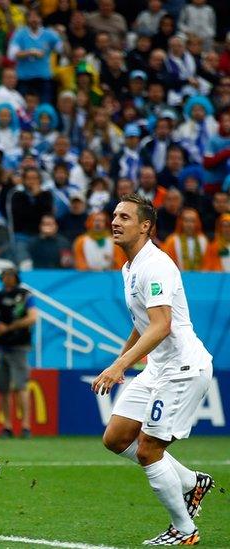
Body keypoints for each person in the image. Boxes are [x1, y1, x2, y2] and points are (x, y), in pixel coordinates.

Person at [91, 194, 214, 545]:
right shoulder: (129, 268)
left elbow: (161, 325)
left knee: (148, 450)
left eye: (125, 217)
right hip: (158, 368)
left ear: (145, 226)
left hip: (182, 368)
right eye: (115, 215)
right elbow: (143, 322)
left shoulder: (155, 265)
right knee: (115, 438)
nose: (115, 221)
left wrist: (120, 365)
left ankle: (185, 530)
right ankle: (192, 482)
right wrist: (121, 356)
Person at [0, 268, 38, 439]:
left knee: (21, 386)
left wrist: (9, 327)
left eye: (10, 276)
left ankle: (26, 426)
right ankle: (7, 426)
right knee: (4, 388)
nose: (7, 279)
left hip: (19, 346)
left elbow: (32, 318)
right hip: (2, 346)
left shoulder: (24, 295)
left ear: (16, 278)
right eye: (5, 276)